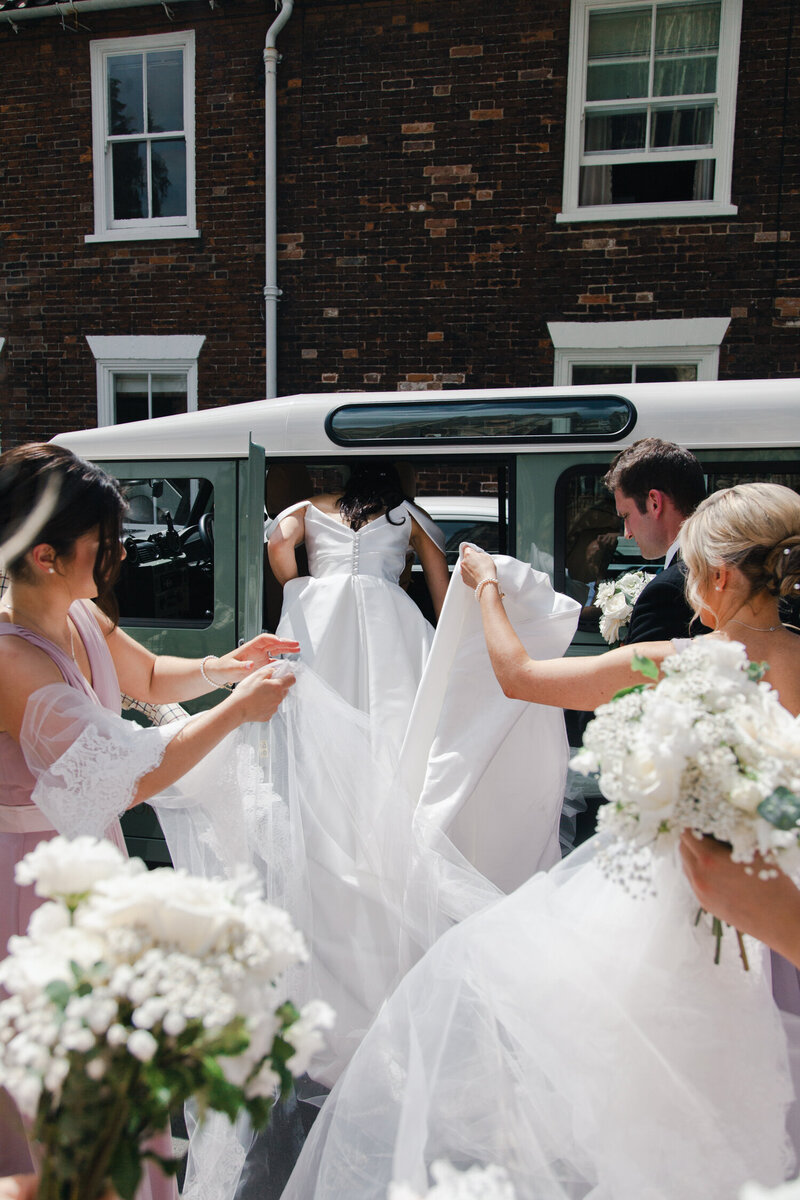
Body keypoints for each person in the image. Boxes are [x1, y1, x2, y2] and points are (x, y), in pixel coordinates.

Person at [282, 482, 800, 1200]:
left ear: (716, 577)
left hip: (681, 920)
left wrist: (488, 590)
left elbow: (519, 678)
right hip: (786, 914)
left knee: (655, 1107)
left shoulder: (680, 661)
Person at [0, 444, 298, 1188]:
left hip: (89, 870)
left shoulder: (79, 613)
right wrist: (234, 712)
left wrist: (225, 666)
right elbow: (125, 773)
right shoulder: (11, 658)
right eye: (101, 543)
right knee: (58, 1106)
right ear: (45, 554)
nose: (116, 554)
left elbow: (144, 677)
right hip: (25, 895)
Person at [267, 461, 449, 751]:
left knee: (320, 718)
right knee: (391, 714)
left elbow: (278, 543)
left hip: (321, 618)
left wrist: (298, 590)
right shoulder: (409, 515)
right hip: (389, 620)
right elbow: (444, 600)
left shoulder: (310, 507)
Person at [604, 437, 708, 643]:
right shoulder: (723, 566)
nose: (627, 533)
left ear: (654, 503)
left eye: (626, 516)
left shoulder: (668, 591)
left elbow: (638, 673)